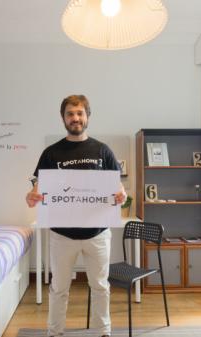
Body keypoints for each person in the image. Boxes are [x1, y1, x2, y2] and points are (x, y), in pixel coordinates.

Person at [26, 95, 126, 337]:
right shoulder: (51, 153)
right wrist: (32, 196)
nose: (75, 118)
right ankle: (54, 332)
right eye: (70, 114)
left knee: (100, 286)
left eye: (80, 113)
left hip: (98, 234)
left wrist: (122, 195)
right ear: (63, 118)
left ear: (87, 116)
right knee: (59, 288)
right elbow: (38, 188)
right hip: (62, 235)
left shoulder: (103, 150)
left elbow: (118, 187)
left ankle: (104, 332)